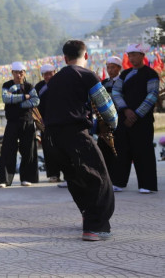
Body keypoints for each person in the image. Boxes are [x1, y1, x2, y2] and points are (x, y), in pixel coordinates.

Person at [44, 39, 117, 241]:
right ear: (86, 56)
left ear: (65, 58)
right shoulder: (87, 75)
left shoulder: (54, 79)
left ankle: (88, 217)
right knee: (99, 179)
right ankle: (95, 228)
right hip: (75, 135)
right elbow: (106, 106)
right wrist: (113, 124)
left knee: (76, 178)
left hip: (51, 138)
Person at [112, 44, 159, 194]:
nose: (132, 58)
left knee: (143, 151)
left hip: (143, 120)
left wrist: (137, 114)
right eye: (130, 55)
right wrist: (125, 110)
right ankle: (119, 182)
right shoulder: (124, 75)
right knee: (122, 150)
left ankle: (146, 184)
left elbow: (152, 96)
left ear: (142, 56)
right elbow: (116, 92)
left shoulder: (151, 74)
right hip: (124, 118)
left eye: (135, 55)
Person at [0, 61, 39, 188]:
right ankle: (5, 179)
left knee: (28, 150)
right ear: (12, 73)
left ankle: (26, 178)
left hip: (27, 121)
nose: (19, 75)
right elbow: (5, 98)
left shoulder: (30, 86)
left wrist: (19, 103)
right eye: (16, 72)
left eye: (21, 72)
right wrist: (24, 97)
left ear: (24, 73)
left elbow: (36, 101)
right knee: (8, 150)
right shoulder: (7, 85)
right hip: (12, 122)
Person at [34, 63, 64, 185]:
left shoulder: (61, 84)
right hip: (45, 122)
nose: (48, 76)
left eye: (50, 74)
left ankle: (68, 173)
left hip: (61, 121)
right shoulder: (39, 87)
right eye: (45, 74)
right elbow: (35, 104)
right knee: (48, 149)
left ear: (54, 73)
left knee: (63, 148)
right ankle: (53, 174)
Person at [98, 56, 122, 191]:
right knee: (104, 149)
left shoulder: (122, 82)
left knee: (117, 150)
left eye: (113, 67)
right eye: (108, 67)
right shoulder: (104, 83)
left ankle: (116, 179)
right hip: (105, 121)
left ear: (119, 68)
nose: (110, 70)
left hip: (118, 119)